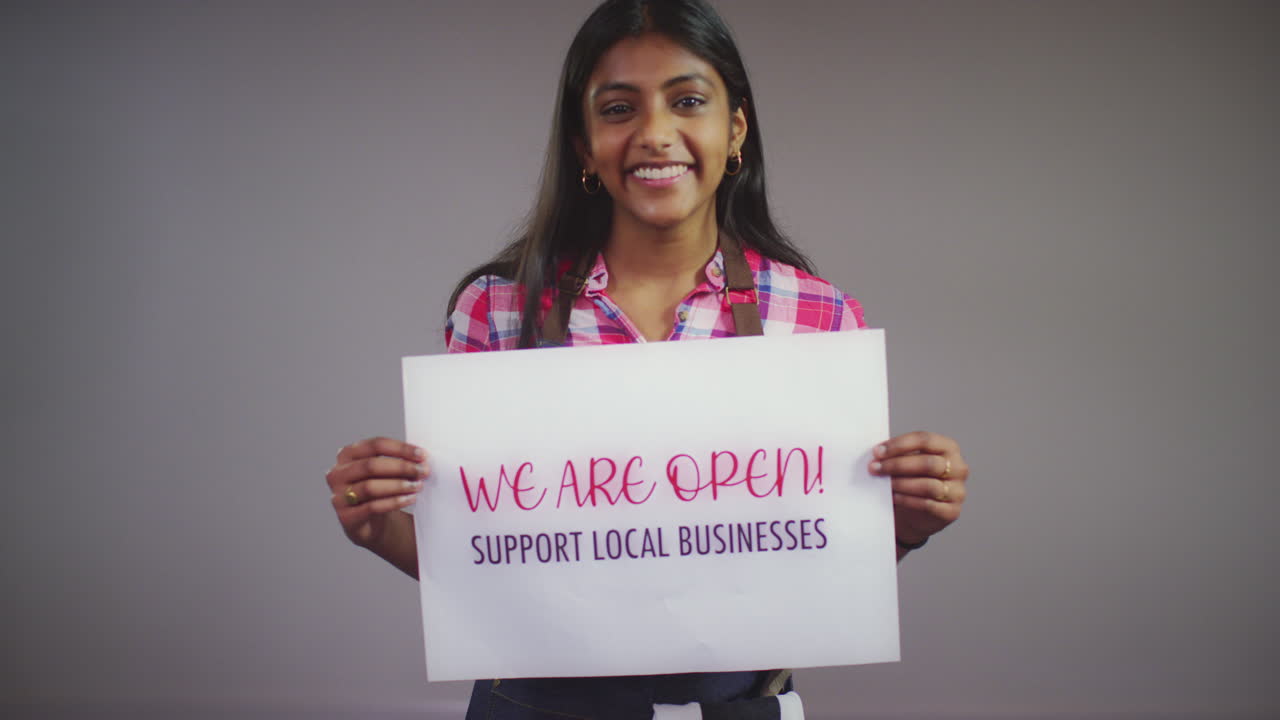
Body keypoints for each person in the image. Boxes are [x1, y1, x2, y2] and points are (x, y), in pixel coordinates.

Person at [324, 1, 970, 718]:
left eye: (688, 101)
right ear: (583, 144)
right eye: (618, 108)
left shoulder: (819, 316)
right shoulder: (498, 309)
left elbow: (815, 566)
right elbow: (488, 571)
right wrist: (383, 531)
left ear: (735, 130)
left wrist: (907, 523)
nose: (656, 134)